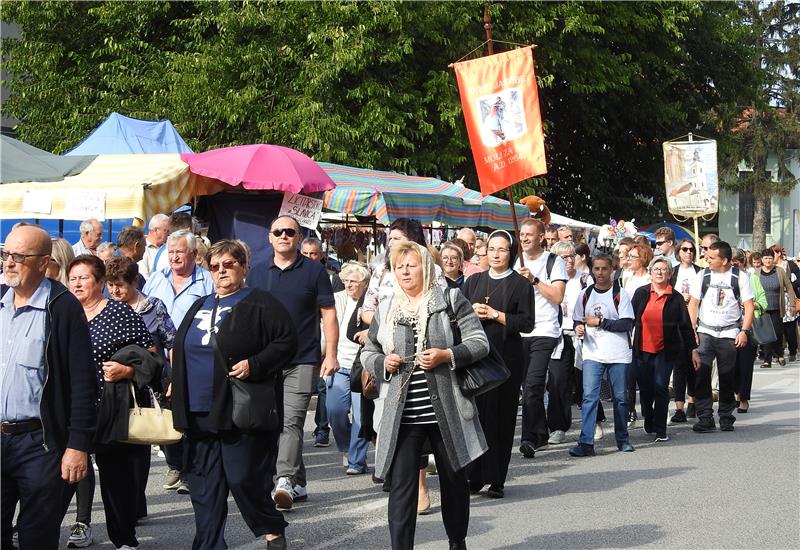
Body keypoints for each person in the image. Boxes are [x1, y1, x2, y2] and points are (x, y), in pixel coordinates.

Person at [360, 241, 489, 550]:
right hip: (402, 414)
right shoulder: (388, 307)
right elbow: (369, 352)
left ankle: (457, 542)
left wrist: (447, 354)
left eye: (412, 264)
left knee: (454, 483)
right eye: (399, 266)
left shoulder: (450, 299)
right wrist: (382, 363)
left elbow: (480, 342)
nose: (405, 271)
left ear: (426, 267)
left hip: (448, 407)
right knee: (402, 488)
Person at [169, 239, 296, 550]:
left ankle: (271, 528)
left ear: (243, 267)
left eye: (228, 264)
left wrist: (255, 364)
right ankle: (209, 544)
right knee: (203, 487)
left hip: (238, 408)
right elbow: (180, 347)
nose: (221, 271)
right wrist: (175, 380)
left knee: (243, 480)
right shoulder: (199, 304)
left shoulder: (260, 302)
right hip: (198, 410)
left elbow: (287, 342)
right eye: (215, 266)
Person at [1, 226, 97, 550]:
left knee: (36, 535)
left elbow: (84, 382)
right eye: (5, 254)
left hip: (39, 442)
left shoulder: (63, 307)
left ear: (43, 263)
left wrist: (78, 445)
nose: (9, 262)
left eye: (19, 256)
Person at [65, 254, 156, 550]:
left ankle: (124, 538)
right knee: (64, 471)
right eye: (73, 278)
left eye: (84, 277)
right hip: (72, 407)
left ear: (102, 282)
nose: (77, 283)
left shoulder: (119, 313)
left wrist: (127, 370)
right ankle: (64, 525)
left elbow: (151, 355)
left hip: (112, 406)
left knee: (117, 478)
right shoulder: (63, 313)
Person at [247, 215, 338, 511]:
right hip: (266, 361)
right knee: (273, 422)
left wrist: (332, 354)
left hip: (302, 359)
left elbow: (328, 314)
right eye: (279, 232)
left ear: (299, 237)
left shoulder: (314, 271)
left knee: (291, 420)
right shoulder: (257, 273)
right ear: (270, 238)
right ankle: (298, 481)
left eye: (290, 232)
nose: (284, 236)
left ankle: (284, 478)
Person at [358, 218, 448, 513]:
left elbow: (444, 310)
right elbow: (366, 308)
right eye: (389, 238)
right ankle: (394, 468)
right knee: (383, 416)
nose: (391, 243)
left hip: (427, 361)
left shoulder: (431, 270)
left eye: (396, 237)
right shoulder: (382, 269)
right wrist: (385, 327)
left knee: (419, 422)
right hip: (388, 350)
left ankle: (420, 483)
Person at [462, 231, 535, 498]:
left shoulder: (520, 284)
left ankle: (497, 479)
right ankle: (475, 475)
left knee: (501, 419)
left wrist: (495, 314)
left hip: (506, 358)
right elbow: (458, 315)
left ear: (510, 253)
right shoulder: (473, 281)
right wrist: (472, 313)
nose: (495, 254)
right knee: (476, 417)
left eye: (502, 250)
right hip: (476, 358)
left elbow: (527, 323)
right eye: (491, 248)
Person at [143, 229, 214, 494]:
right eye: (170, 252)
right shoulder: (155, 280)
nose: (174, 257)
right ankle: (175, 462)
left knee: (191, 411)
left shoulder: (206, 281)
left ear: (194, 254)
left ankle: (190, 468)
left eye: (179, 252)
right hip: (161, 357)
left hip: (194, 354)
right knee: (165, 410)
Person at [569, 254, 636, 457]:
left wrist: (599, 322)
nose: (600, 273)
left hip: (618, 354)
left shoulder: (620, 294)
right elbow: (577, 320)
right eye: (596, 269)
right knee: (589, 397)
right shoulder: (585, 294)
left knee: (621, 398)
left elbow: (626, 323)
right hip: (593, 352)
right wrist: (579, 328)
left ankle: (622, 439)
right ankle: (586, 442)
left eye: (604, 269)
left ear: (611, 271)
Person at [514, 218, 568, 457]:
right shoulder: (514, 261)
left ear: (541, 238)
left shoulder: (554, 262)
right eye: (522, 234)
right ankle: (541, 433)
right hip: (520, 330)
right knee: (527, 386)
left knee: (534, 384)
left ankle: (528, 438)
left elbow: (557, 296)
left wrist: (534, 280)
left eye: (529, 234)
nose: (524, 238)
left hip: (545, 330)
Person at [688, 240, 754, 433]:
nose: (707, 259)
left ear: (724, 260)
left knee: (727, 377)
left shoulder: (740, 277)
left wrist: (744, 331)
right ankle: (705, 417)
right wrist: (692, 330)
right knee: (701, 374)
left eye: (712, 257)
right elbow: (693, 304)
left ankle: (726, 416)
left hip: (729, 333)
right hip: (705, 332)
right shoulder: (703, 275)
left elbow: (749, 307)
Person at [631, 258, 699, 442]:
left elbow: (685, 326)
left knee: (660, 387)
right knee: (645, 389)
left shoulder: (675, 297)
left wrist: (693, 349)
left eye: (664, 269)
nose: (660, 272)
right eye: (656, 269)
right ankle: (648, 417)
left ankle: (661, 430)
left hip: (666, 351)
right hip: (642, 350)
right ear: (650, 273)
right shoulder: (641, 293)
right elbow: (629, 318)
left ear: (670, 274)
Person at [326, 261, 371, 475]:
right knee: (334, 410)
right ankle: (346, 448)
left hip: (362, 366)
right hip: (339, 363)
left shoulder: (372, 302)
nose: (349, 285)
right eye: (346, 281)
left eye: (354, 282)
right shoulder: (337, 299)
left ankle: (356, 460)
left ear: (365, 283)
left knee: (361, 416)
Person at [668, 238, 702, 423]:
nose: (688, 252)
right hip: (677, 324)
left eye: (691, 249)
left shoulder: (700, 272)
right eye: (685, 249)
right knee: (679, 365)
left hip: (696, 323)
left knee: (693, 365)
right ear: (678, 252)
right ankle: (679, 406)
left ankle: (692, 401)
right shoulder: (673, 273)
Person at [731, 248, 767, 413]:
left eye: (736, 262)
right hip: (728, 327)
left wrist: (750, 305)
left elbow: (763, 302)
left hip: (748, 327)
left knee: (745, 365)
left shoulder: (751, 278)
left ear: (742, 262)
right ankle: (735, 394)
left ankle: (743, 398)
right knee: (731, 365)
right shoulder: (724, 278)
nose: (733, 265)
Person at [758, 248, 797, 367]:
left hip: (777, 306)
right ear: (762, 260)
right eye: (766, 258)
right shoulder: (756, 272)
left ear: (773, 259)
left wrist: (792, 303)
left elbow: (789, 287)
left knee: (777, 333)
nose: (768, 261)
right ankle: (767, 359)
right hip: (763, 307)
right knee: (766, 334)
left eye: (770, 258)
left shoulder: (779, 271)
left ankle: (779, 353)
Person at [138, 213, 170, 278]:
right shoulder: (142, 249)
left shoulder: (168, 248)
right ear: (156, 230)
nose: (169, 234)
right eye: (166, 231)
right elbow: (144, 278)